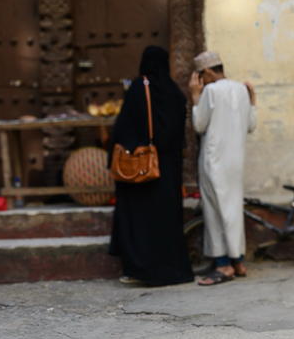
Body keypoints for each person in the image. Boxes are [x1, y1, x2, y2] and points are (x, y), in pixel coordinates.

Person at [107, 45, 194, 286]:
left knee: (140, 220)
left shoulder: (139, 87)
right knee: (167, 220)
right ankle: (173, 272)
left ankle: (140, 269)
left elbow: (125, 127)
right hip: (168, 169)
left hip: (142, 168)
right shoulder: (175, 92)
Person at [189, 50, 257, 285]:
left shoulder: (210, 90)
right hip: (235, 161)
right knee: (232, 209)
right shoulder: (241, 89)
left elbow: (199, 125)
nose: (199, 81)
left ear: (207, 71)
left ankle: (223, 265)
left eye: (200, 76)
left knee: (216, 212)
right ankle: (238, 261)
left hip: (214, 161)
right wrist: (253, 102)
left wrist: (195, 97)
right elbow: (251, 125)